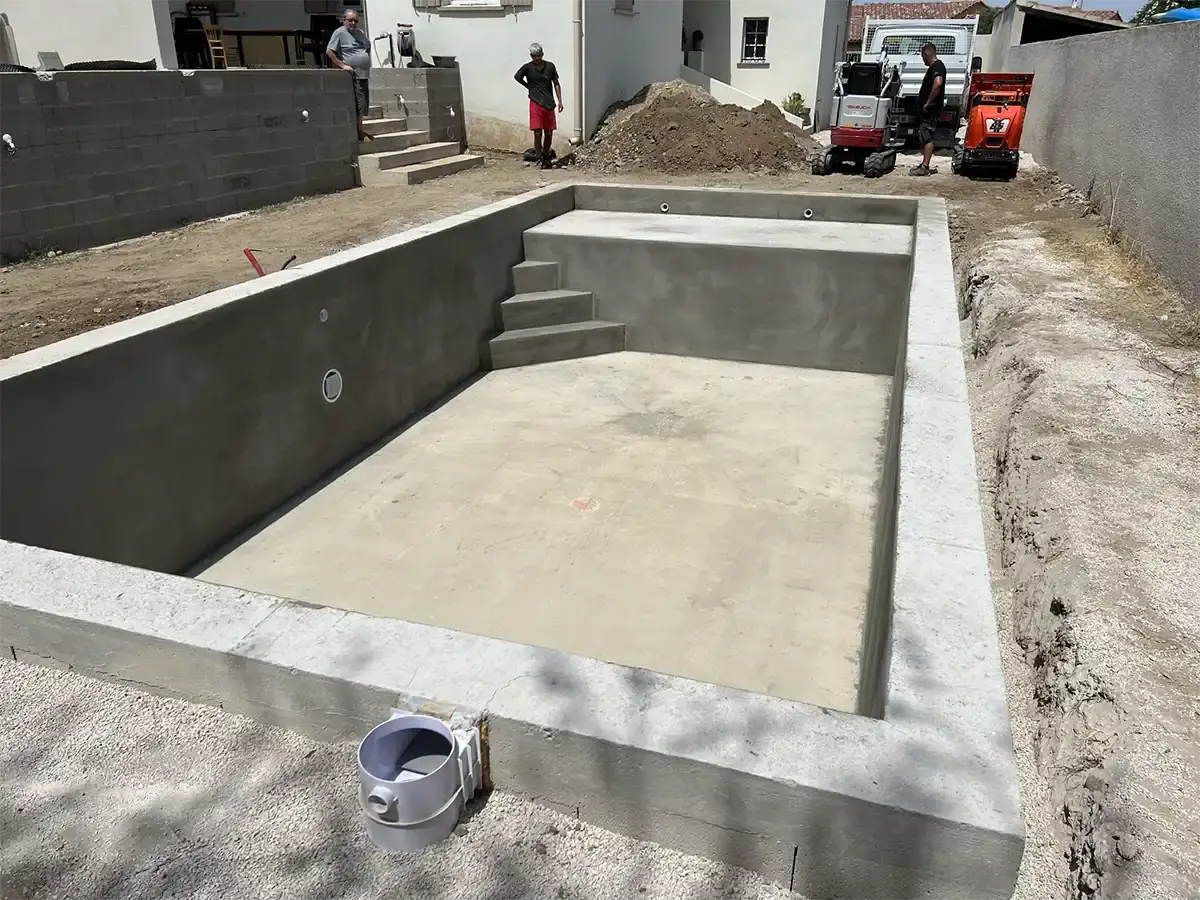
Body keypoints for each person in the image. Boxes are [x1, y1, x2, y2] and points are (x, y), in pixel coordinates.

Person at [514, 43, 563, 169]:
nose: (537, 58)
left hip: (548, 102)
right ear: (531, 56)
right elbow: (517, 77)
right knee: (537, 131)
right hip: (535, 101)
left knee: (549, 132)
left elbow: (556, 83)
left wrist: (560, 101)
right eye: (535, 56)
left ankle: (546, 155)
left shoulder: (550, 67)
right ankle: (539, 156)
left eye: (539, 55)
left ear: (543, 54)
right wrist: (528, 86)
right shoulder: (528, 68)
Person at [327, 9, 372, 143]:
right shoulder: (339, 32)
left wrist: (364, 58)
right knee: (359, 104)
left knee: (364, 105)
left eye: (356, 21)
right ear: (344, 20)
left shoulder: (360, 33)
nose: (353, 23)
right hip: (354, 75)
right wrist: (342, 65)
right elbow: (329, 51)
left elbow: (367, 47)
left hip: (364, 74)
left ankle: (360, 128)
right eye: (350, 20)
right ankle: (359, 131)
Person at [909, 42, 946, 177]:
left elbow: (938, 84)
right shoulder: (934, 67)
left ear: (926, 54)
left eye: (922, 57)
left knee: (927, 136)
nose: (923, 60)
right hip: (928, 109)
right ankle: (924, 164)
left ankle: (925, 166)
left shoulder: (937, 66)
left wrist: (927, 103)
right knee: (924, 135)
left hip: (931, 110)